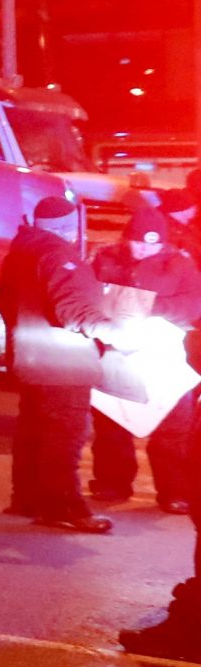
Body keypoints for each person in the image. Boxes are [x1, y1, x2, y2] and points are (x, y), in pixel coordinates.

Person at [0, 194, 116, 533]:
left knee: (34, 431)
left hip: (33, 359)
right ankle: (64, 507)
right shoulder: (58, 254)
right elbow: (72, 310)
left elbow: (3, 301)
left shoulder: (21, 252)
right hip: (64, 363)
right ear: (69, 226)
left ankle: (27, 498)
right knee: (65, 436)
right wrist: (114, 331)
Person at [89, 208, 201, 512]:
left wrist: (143, 306)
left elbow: (192, 304)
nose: (144, 250)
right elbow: (93, 295)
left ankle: (174, 491)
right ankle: (112, 484)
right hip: (118, 353)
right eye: (139, 243)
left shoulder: (179, 263)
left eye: (152, 245)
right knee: (113, 422)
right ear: (127, 239)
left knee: (172, 427)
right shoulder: (107, 258)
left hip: (162, 355)